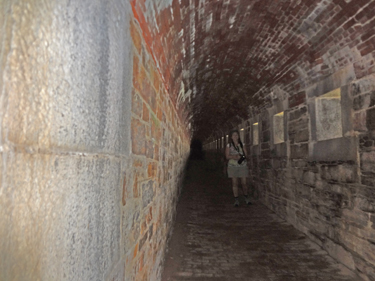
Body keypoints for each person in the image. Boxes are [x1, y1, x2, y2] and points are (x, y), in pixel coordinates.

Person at [225, 130, 251, 207]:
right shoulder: (229, 145)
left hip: (242, 166)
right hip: (232, 166)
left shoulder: (242, 144)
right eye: (233, 135)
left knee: (244, 183)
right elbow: (227, 156)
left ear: (238, 136)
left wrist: (242, 157)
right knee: (235, 183)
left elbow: (246, 155)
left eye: (236, 135)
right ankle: (236, 199)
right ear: (231, 137)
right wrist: (234, 157)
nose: (235, 136)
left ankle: (246, 197)